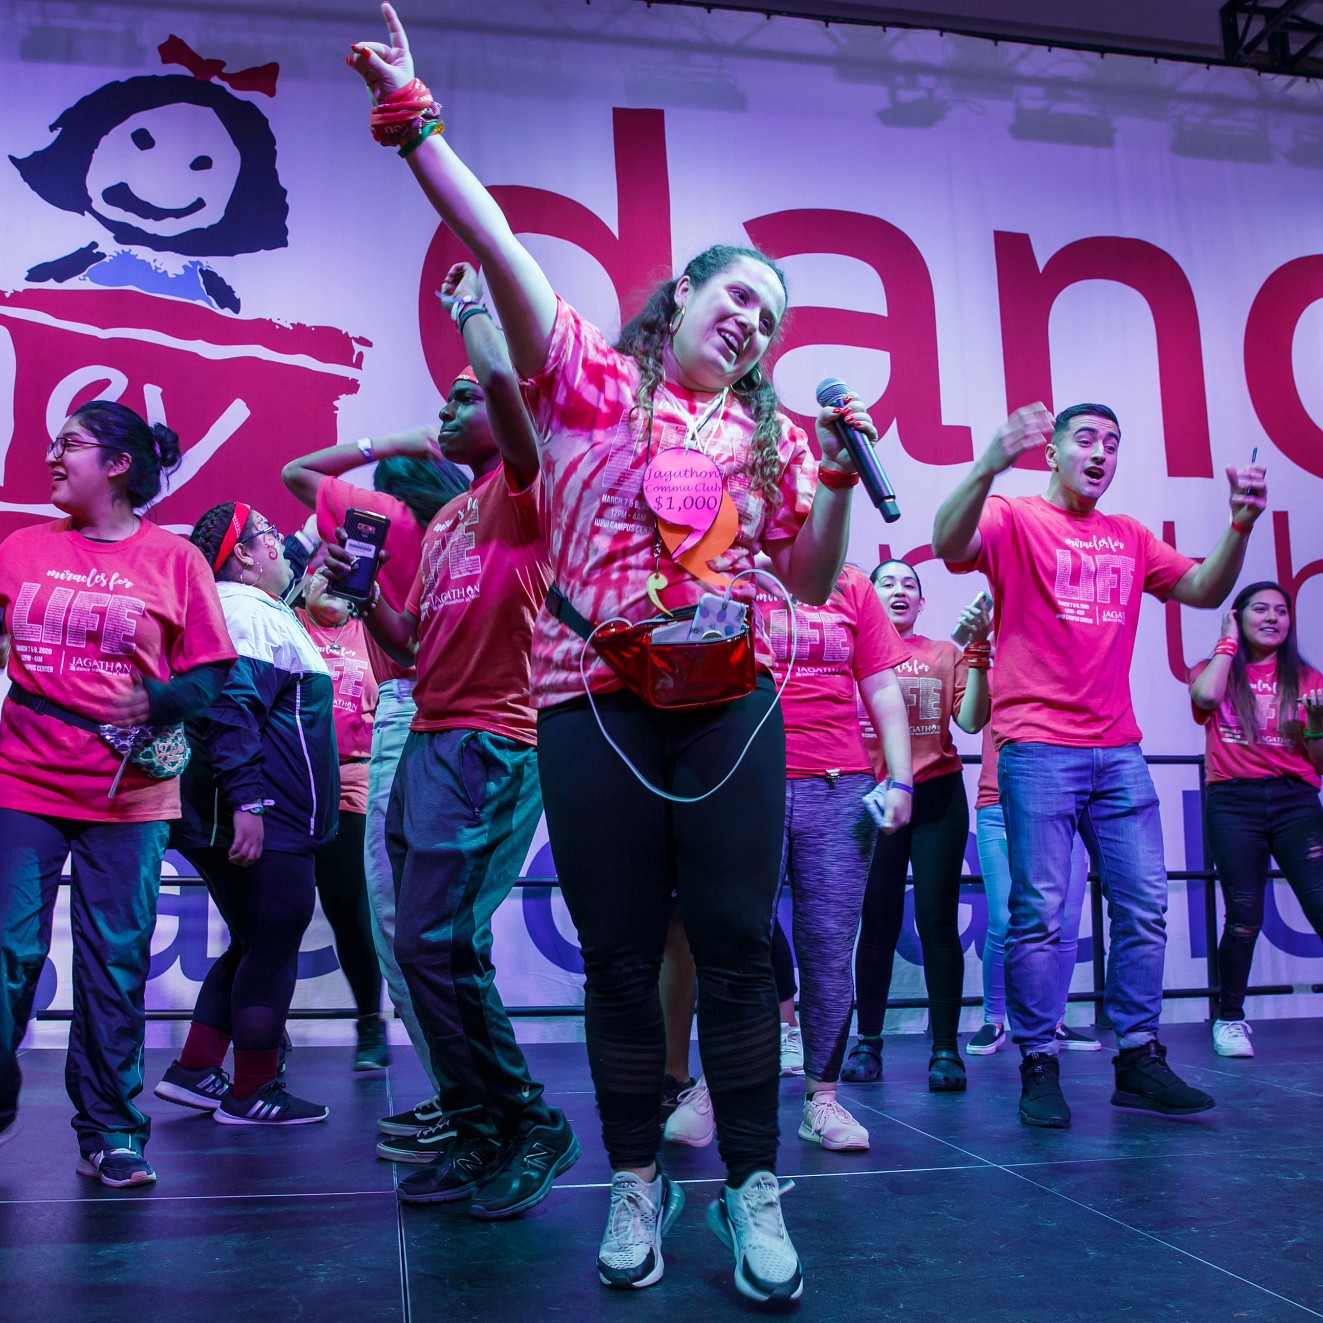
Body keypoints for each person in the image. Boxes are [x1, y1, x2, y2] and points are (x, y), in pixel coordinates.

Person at [347, 6, 876, 1299]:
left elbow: (806, 578)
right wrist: (418, 124)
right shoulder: (584, 378)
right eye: (732, 292)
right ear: (680, 295)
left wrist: (845, 483)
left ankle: (751, 1183)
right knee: (621, 953)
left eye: (771, 311)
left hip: (732, 700)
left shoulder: (774, 443)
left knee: (742, 951)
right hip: (591, 701)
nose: (749, 317)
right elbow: (498, 247)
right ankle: (633, 1176)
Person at [932, 401, 1266, 1128]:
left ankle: (1137, 1057)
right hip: (1037, 743)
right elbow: (946, 540)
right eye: (1084, 439)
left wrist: (1239, 522)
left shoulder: (1129, 536)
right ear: (1051, 452)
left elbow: (1204, 589)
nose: (1100, 452)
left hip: (1117, 748)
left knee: (1145, 905)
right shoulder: (1014, 516)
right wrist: (988, 461)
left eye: (1112, 444)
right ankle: (1037, 1062)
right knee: (1041, 914)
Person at [327, 260, 574, 1218]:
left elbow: (508, 387)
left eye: (463, 396)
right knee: (417, 942)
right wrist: (362, 600)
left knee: (441, 937)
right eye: (446, 398)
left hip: (495, 742)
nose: (451, 404)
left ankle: (526, 1122)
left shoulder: (527, 487)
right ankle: (478, 1127)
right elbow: (414, 644)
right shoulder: (444, 526)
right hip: (430, 734)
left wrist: (473, 310)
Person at [0, 401, 235, 1185]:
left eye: (69, 444)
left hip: (125, 797)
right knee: (7, 950)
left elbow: (209, 671)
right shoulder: (21, 548)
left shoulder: (175, 559)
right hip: (21, 779)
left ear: (118, 465)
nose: (53, 458)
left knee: (114, 964)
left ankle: (109, 1129)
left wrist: (161, 703)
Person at [283, 393, 468, 1142]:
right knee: (436, 927)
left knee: (402, 925)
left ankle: (468, 1098)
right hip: (484, 718)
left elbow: (299, 471)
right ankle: (466, 1096)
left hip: (415, 711)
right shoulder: (472, 519)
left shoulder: (390, 521)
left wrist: (394, 440)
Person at [155, 502, 338, 1125]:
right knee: (273, 939)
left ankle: (195, 1068)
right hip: (266, 813)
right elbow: (231, 713)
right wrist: (249, 804)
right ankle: (251, 1091)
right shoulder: (244, 613)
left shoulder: (252, 611)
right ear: (243, 555)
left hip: (266, 811)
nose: (280, 548)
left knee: (259, 938)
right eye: (267, 538)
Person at [768, 563, 912, 1147]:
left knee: (829, 947)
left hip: (840, 784)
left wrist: (900, 778)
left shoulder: (850, 583)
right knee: (738, 941)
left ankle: (822, 1101)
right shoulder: (733, 572)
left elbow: (879, 683)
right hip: (748, 779)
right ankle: (731, 1088)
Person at [842, 561, 988, 1091]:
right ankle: (868, 1043)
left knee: (937, 922)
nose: (899, 591)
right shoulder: (851, 651)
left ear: (922, 604)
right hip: (874, 799)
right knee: (877, 923)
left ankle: (945, 1050)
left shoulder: (943, 653)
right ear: (869, 598)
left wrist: (979, 654)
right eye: (888, 583)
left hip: (937, 797)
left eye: (910, 585)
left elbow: (970, 721)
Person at [1189, 581, 1323, 1058]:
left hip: (1295, 802)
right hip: (1234, 802)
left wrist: (1316, 725)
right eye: (1260, 610)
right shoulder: (1215, 669)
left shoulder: (1308, 678)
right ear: (1238, 617)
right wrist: (1227, 642)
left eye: (1282, 611)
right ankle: (1229, 1019)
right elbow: (1205, 698)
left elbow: (1319, 762)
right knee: (1244, 915)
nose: (1273, 618)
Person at [298, 570, 388, 1072]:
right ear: (304, 583)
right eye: (320, 576)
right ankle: (263, 1038)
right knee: (276, 914)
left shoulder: (372, 634)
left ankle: (370, 1023)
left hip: (352, 783)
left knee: (348, 908)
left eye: (341, 580)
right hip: (290, 785)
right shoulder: (286, 624)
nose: (330, 586)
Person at [971, 712, 1098, 1055]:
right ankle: (993, 1020)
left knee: (1067, 921)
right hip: (998, 804)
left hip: (1064, 804)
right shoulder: (995, 670)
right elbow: (969, 717)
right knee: (1002, 919)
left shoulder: (1068, 672)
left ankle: (1054, 1020)